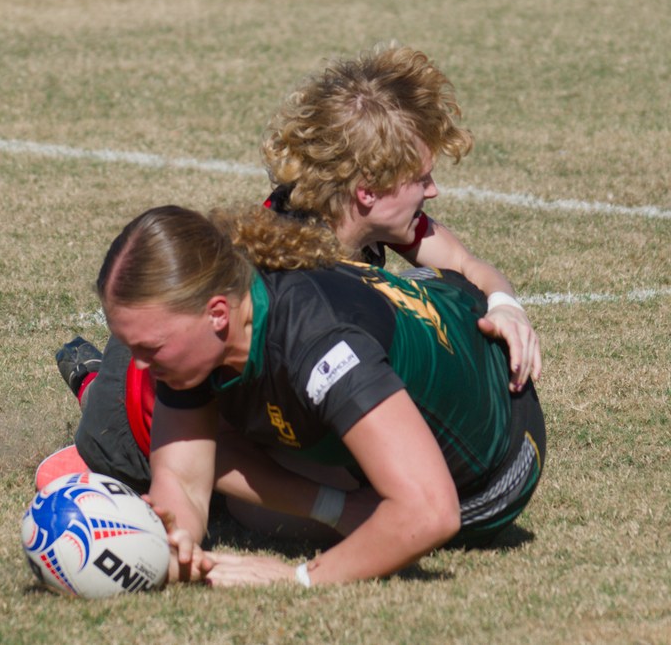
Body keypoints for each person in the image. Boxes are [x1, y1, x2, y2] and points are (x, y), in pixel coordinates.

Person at [38, 43, 541, 498]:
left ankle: (94, 378)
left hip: (193, 376)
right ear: (368, 190)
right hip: (151, 413)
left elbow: (465, 266)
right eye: (421, 178)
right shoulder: (291, 271)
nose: (432, 191)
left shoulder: (372, 219)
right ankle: (94, 397)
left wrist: (506, 307)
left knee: (418, 298)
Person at [97, 204, 546, 586]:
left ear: (217, 314)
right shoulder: (218, 317)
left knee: (262, 511)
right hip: (416, 312)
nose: (137, 365)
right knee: (244, 498)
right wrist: (168, 545)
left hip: (499, 458)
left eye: (149, 348)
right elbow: (181, 482)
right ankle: (345, 504)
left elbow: (431, 512)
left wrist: (296, 579)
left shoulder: (320, 346)